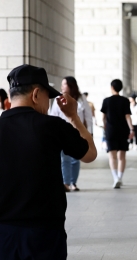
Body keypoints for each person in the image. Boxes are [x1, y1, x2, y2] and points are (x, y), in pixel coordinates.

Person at [0, 64, 97, 259]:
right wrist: (73, 117)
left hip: (3, 232)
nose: (49, 103)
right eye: (48, 97)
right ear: (36, 94)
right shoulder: (52, 126)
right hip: (44, 233)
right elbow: (90, 154)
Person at [50, 76, 93, 192]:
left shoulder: (81, 98)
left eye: (64, 84)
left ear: (70, 86)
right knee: (65, 159)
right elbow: (53, 115)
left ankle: (73, 182)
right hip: (62, 132)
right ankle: (66, 183)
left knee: (75, 159)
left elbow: (88, 116)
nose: (62, 86)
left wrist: (89, 132)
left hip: (77, 132)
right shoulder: (58, 98)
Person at [101, 79, 134, 188]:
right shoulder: (125, 101)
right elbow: (127, 116)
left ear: (112, 87)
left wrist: (105, 126)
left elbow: (103, 118)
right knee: (122, 156)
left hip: (111, 131)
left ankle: (115, 178)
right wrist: (132, 129)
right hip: (123, 131)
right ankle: (120, 177)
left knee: (112, 156)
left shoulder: (106, 101)